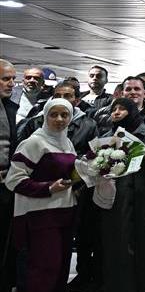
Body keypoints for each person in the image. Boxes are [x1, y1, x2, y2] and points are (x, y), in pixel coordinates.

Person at [5, 98, 77, 292]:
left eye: (65, 115)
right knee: (44, 270)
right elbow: (13, 180)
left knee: (60, 269)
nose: (60, 119)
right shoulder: (34, 142)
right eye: (54, 115)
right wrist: (48, 188)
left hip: (64, 214)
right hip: (41, 217)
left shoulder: (67, 142)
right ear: (44, 117)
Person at [100, 97, 145, 292]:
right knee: (118, 246)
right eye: (114, 109)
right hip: (116, 202)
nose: (117, 112)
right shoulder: (106, 137)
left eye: (122, 109)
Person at [0, 59, 19, 292]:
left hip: (6, 185)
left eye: (13, 78)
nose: (12, 83)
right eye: (6, 78)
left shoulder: (10, 107)